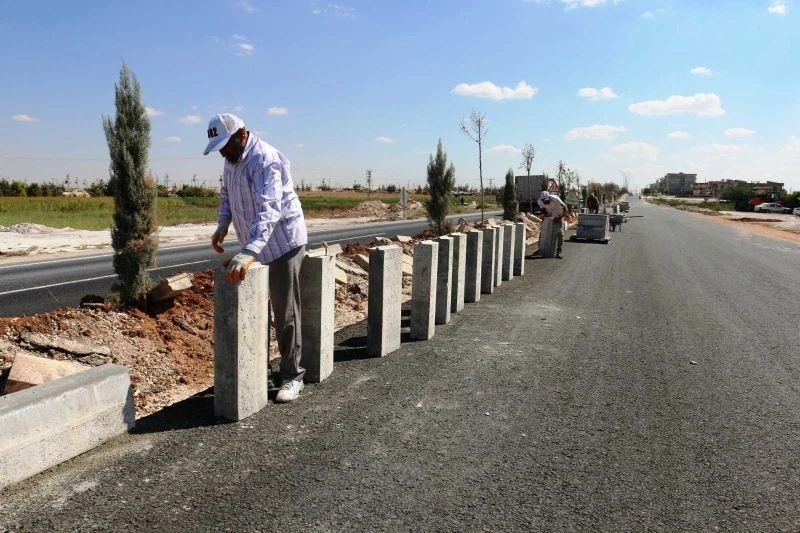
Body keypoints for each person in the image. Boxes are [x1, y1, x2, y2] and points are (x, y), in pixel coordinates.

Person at [204, 113, 308, 403]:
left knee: (284, 311)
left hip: (282, 242)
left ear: (242, 134)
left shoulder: (265, 160)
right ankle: (260, 369)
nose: (223, 152)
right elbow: (227, 195)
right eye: (220, 148)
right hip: (256, 243)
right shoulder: (231, 160)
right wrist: (223, 223)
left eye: (227, 145)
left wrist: (249, 252)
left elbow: (269, 209)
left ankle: (292, 376)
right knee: (256, 308)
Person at [537, 191, 567, 259]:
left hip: (558, 216)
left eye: (546, 201)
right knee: (543, 233)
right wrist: (544, 215)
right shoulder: (540, 201)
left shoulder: (556, 199)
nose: (545, 202)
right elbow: (542, 210)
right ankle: (541, 249)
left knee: (560, 234)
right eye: (544, 201)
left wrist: (559, 217)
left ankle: (558, 252)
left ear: (549, 197)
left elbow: (566, 210)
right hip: (549, 218)